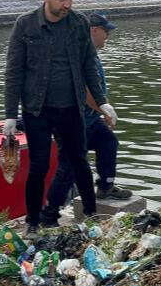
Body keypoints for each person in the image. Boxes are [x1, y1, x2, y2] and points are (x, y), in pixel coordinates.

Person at [3, 0, 114, 233]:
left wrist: (102, 101)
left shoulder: (77, 24)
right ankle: (33, 222)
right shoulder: (25, 24)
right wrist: (10, 113)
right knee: (39, 166)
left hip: (72, 107)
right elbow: (14, 71)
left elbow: (89, 65)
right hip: (37, 109)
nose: (67, 5)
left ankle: (90, 215)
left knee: (79, 161)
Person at [41, 13, 132, 225]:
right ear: (93, 30)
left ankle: (105, 186)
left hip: (89, 119)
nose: (107, 36)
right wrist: (105, 110)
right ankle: (49, 214)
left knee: (108, 142)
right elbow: (84, 90)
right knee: (69, 168)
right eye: (105, 31)